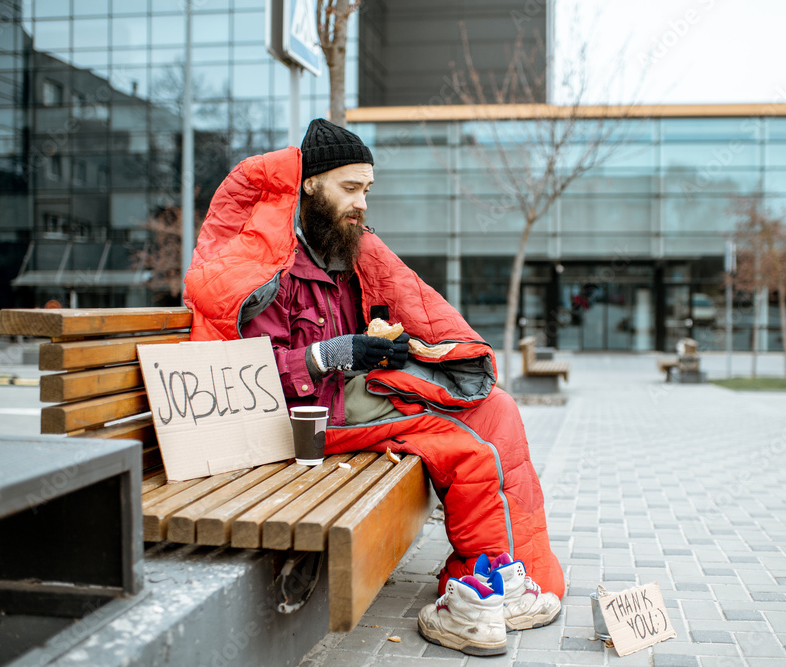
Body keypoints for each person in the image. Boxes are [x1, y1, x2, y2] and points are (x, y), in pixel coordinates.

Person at [184, 119, 563, 656]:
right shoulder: (267, 267)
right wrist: (331, 354)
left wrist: (382, 346)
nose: (362, 202)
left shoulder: (335, 252)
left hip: (340, 396)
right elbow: (249, 376)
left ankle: (504, 572)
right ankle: (476, 592)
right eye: (350, 187)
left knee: (496, 407)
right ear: (310, 184)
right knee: (464, 446)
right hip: (302, 424)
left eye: (367, 189)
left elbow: (356, 333)